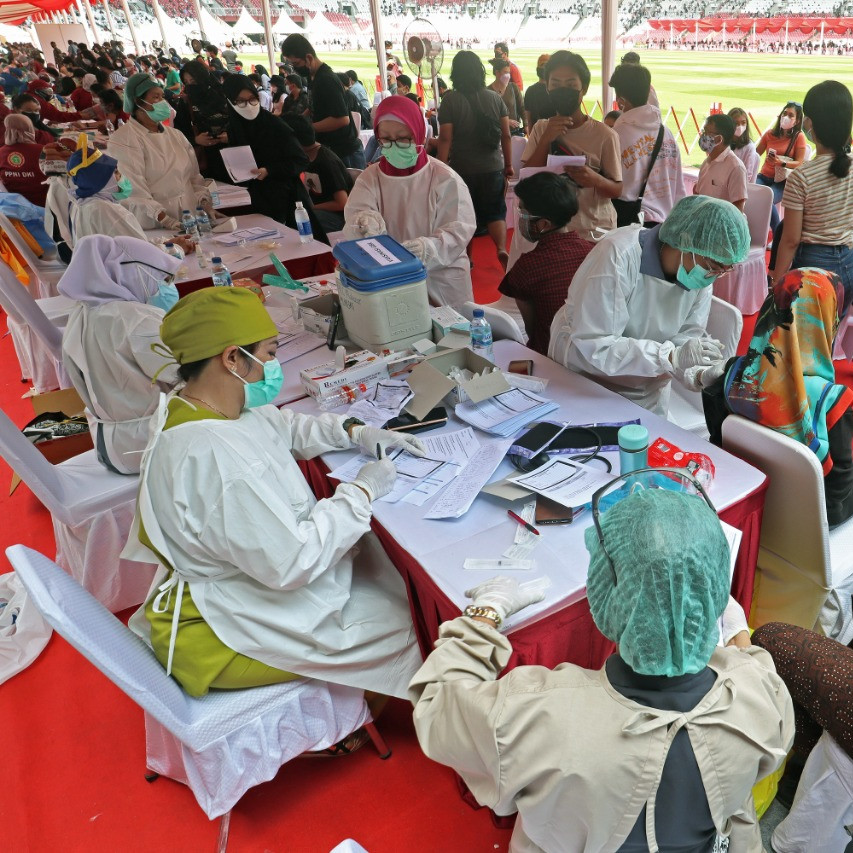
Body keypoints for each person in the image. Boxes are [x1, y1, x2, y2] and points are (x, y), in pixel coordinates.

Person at [409, 488, 794, 852]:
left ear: (610, 595)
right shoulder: (764, 693)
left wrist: (484, 616)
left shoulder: (531, 716)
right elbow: (751, 688)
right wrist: (739, 635)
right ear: (711, 591)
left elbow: (435, 704)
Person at [123, 286, 424, 703]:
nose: (273, 364)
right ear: (231, 358)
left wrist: (352, 430)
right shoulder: (211, 456)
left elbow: (282, 428)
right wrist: (361, 491)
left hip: (250, 583)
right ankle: (385, 712)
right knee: (411, 626)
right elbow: (292, 563)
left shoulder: (205, 402)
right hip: (228, 627)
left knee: (381, 573)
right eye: (268, 353)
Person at [549, 194, 749, 416]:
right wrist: (670, 357)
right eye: (715, 264)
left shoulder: (699, 275)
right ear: (685, 241)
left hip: (648, 389)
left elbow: (685, 338)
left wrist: (698, 373)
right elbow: (597, 344)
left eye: (725, 269)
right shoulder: (618, 255)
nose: (716, 274)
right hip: (587, 377)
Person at [702, 268, 853, 527]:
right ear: (825, 319)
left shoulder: (733, 376)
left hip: (747, 504)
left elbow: (718, 440)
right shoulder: (832, 401)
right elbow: (837, 496)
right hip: (808, 528)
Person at [58, 235, 183, 474]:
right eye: (160, 279)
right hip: (151, 442)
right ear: (132, 273)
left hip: (109, 441)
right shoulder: (135, 318)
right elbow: (189, 372)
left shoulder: (82, 313)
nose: (163, 286)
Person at [343, 95, 476, 308]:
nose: (394, 145)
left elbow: (458, 230)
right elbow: (355, 217)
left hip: (441, 281)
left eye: (403, 138)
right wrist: (363, 222)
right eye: (385, 139)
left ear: (419, 135)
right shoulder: (370, 178)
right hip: (389, 279)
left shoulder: (444, 179)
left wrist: (427, 248)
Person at [522, 51, 622, 240]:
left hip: (594, 233)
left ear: (583, 89)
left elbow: (617, 190)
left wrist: (595, 179)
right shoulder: (541, 128)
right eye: (556, 84)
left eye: (570, 84)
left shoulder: (605, 135)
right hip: (552, 233)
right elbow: (527, 179)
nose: (563, 90)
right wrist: (546, 139)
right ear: (548, 88)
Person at [772, 81, 853, 313]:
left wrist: (777, 282)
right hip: (848, 262)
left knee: (807, 342)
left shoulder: (801, 177)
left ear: (812, 124)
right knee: (827, 337)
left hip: (814, 266)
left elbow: (790, 240)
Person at [498, 172, 594, 355]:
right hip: (591, 354)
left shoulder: (527, 267)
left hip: (551, 356)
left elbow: (532, 329)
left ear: (543, 224)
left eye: (522, 212)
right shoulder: (593, 251)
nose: (519, 218)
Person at [220, 75, 324, 238]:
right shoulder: (234, 127)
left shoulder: (274, 125)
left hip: (289, 197)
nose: (248, 106)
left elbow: (300, 160)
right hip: (260, 196)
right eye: (240, 101)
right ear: (230, 102)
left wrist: (270, 170)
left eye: (253, 99)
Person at [108, 72, 212, 230]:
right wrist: (166, 221)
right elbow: (134, 191)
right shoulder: (124, 140)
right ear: (138, 101)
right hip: (156, 226)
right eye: (156, 97)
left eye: (162, 97)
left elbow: (194, 178)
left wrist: (205, 205)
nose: (162, 102)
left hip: (191, 219)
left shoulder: (175, 135)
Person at [437, 51, 512, 268]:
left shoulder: (450, 100)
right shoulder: (495, 98)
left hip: (463, 169)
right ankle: (500, 249)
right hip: (492, 167)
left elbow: (445, 138)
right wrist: (508, 165)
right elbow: (506, 135)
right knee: (495, 211)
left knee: (464, 216)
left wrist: (441, 167)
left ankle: (467, 258)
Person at [610, 62, 684, 227]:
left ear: (620, 100)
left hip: (630, 223)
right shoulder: (667, 133)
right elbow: (679, 185)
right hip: (665, 222)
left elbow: (610, 184)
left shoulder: (617, 135)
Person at [281, 34, 365, 169]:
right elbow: (313, 105)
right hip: (330, 148)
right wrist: (299, 121)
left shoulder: (326, 79)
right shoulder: (312, 76)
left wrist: (308, 128)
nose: (295, 68)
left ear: (308, 57)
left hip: (345, 152)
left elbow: (342, 119)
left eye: (296, 63)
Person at [284, 114, 353, 234]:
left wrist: (308, 208)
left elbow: (342, 203)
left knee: (302, 217)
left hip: (341, 218)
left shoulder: (327, 162)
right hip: (320, 211)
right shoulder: (303, 157)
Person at [173, 59, 230, 182]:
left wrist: (232, 135)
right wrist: (195, 140)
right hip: (206, 157)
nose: (190, 86)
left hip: (231, 152)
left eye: (193, 81)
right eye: (186, 82)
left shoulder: (225, 94)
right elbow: (179, 129)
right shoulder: (187, 101)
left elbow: (241, 122)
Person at [756, 101, 807, 234]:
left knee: (767, 199)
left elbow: (800, 162)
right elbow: (755, 154)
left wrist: (781, 163)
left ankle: (778, 232)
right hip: (763, 176)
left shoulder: (798, 137)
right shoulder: (769, 134)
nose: (786, 117)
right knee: (750, 195)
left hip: (782, 181)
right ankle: (756, 230)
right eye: (785, 113)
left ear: (796, 121)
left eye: (791, 115)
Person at [695, 113, 748, 211]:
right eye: (703, 131)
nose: (703, 136)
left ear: (719, 139)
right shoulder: (706, 163)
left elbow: (737, 211)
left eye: (706, 132)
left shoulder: (736, 168)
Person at [0, 114, 48, 207]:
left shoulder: (1, 152)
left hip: (14, 209)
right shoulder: (44, 150)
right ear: (30, 128)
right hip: (44, 205)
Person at [488, 58, 524, 137]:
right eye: (505, 72)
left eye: (509, 73)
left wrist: (527, 125)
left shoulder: (513, 87)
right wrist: (505, 121)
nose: (508, 75)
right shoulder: (488, 91)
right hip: (495, 134)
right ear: (497, 73)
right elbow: (487, 116)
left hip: (515, 133)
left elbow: (522, 108)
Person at [728, 106, 760, 183]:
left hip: (739, 186)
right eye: (736, 123)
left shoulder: (749, 146)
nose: (740, 126)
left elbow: (747, 175)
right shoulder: (723, 142)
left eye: (743, 123)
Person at [522, 53, 554, 130]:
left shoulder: (556, 90)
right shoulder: (530, 91)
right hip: (537, 134)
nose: (543, 68)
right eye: (542, 65)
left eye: (546, 65)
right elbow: (529, 120)